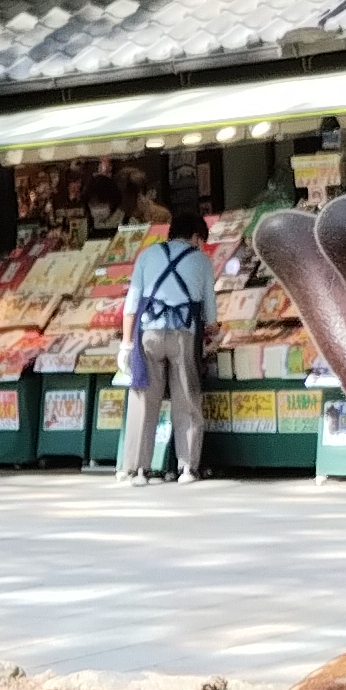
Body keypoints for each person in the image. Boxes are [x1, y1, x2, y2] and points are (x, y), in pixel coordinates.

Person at [118, 197, 215, 486]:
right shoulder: (201, 261)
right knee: (187, 399)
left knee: (143, 401)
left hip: (148, 334)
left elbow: (131, 304)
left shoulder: (147, 255)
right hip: (184, 336)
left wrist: (125, 345)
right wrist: (215, 335)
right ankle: (187, 468)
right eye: (201, 240)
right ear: (196, 236)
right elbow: (210, 316)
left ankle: (138, 469)